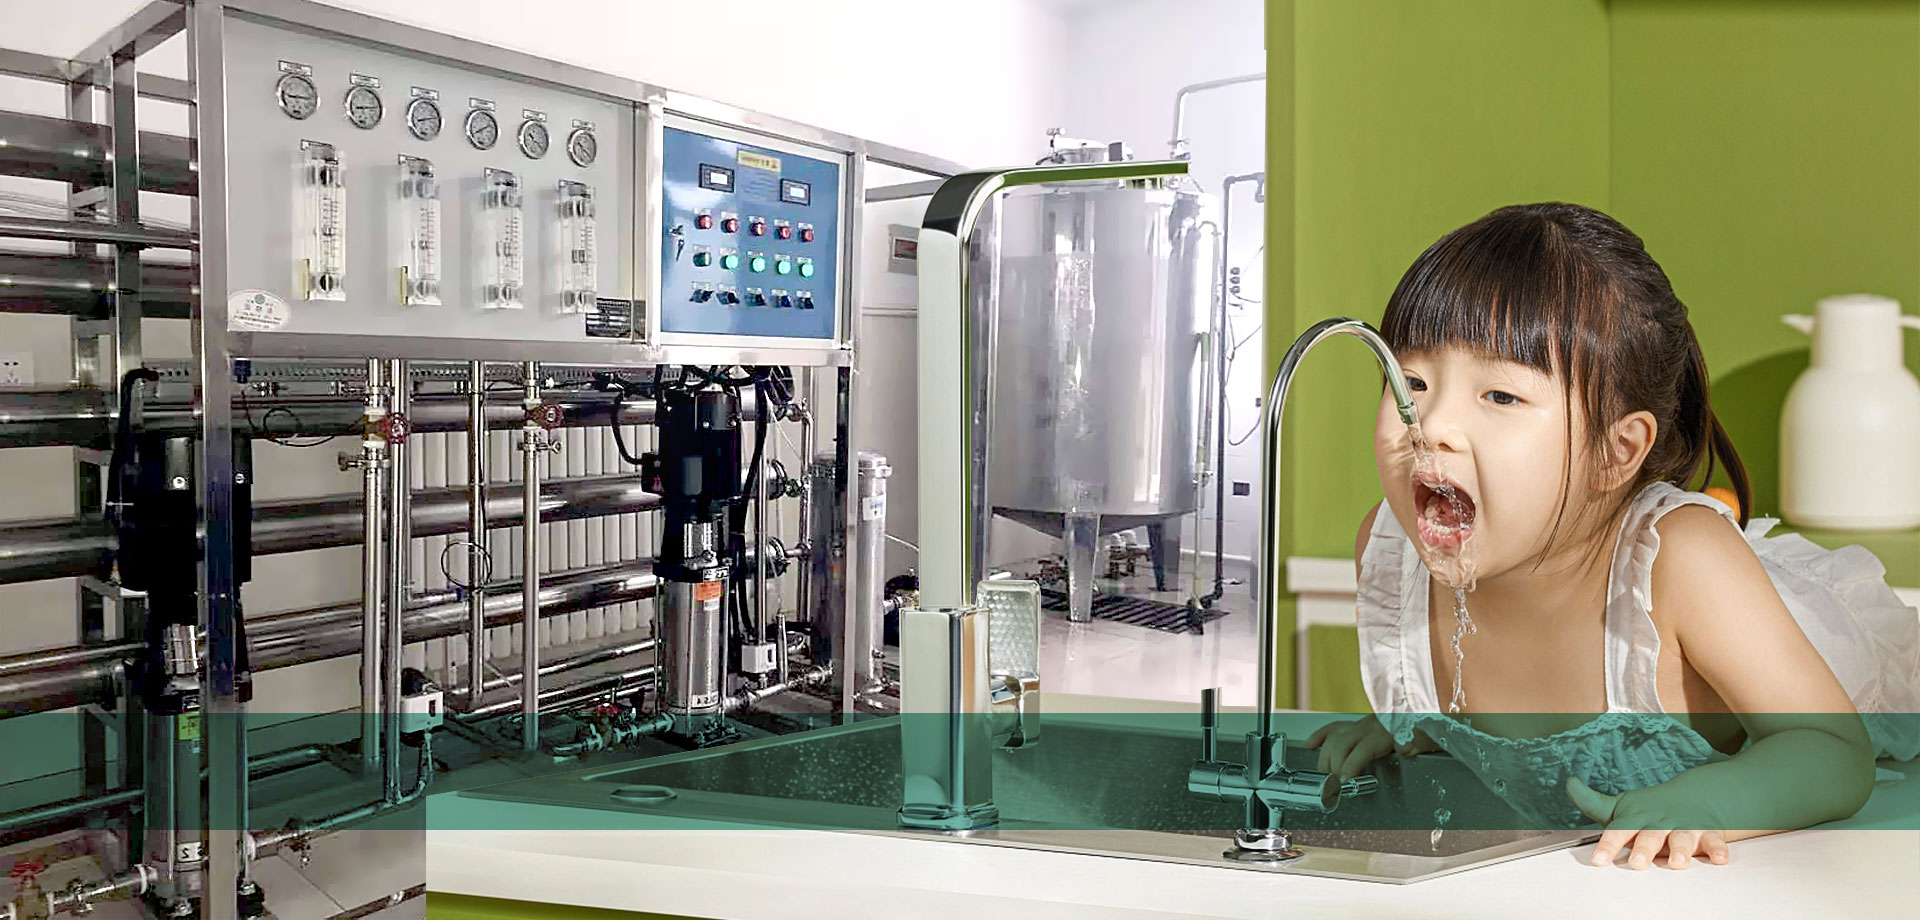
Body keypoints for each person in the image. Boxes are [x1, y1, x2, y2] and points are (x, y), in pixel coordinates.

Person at [1303, 202, 1920, 870]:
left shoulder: (1682, 562)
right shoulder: (1392, 554)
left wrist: (1713, 801)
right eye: (1413, 382)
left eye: (1501, 396)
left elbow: (1833, 753)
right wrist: (1417, 728)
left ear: (1616, 452)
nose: (1431, 425)